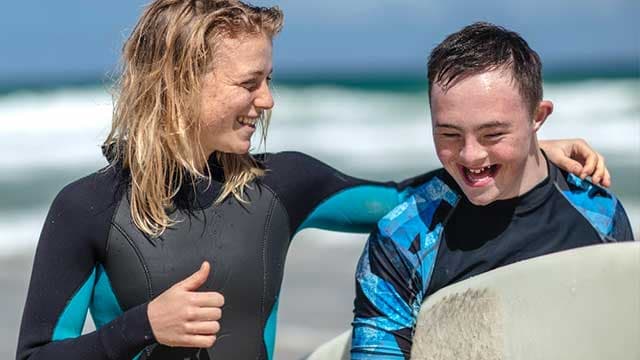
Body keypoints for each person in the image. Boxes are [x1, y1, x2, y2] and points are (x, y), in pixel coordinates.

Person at [16, 1, 609, 359]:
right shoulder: (89, 208)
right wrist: (140, 328)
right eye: (250, 83)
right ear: (180, 82)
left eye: (268, 79)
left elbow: (406, 201)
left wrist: (520, 149)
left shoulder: (281, 186)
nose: (267, 100)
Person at [350, 22, 635, 359]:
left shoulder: (599, 213)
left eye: (493, 134)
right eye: (450, 135)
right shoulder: (403, 240)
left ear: (537, 117)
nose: (471, 155)